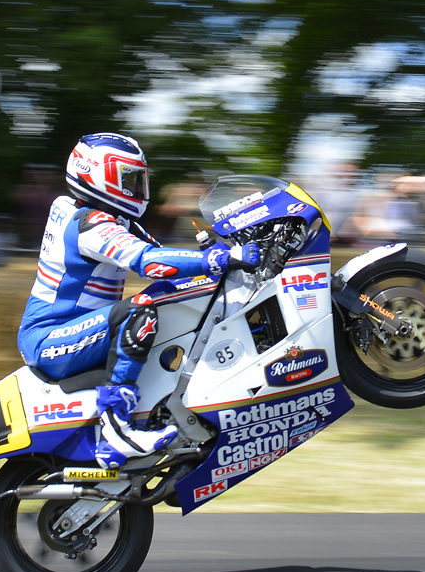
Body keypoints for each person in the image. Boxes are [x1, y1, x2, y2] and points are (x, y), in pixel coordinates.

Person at [17, 133, 261, 469]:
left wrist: (215, 253)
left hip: (70, 331)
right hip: (49, 338)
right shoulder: (88, 225)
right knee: (138, 312)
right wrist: (218, 260)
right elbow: (147, 261)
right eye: (129, 180)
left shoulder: (97, 215)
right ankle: (116, 434)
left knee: (165, 295)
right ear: (98, 175)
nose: (137, 189)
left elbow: (165, 262)